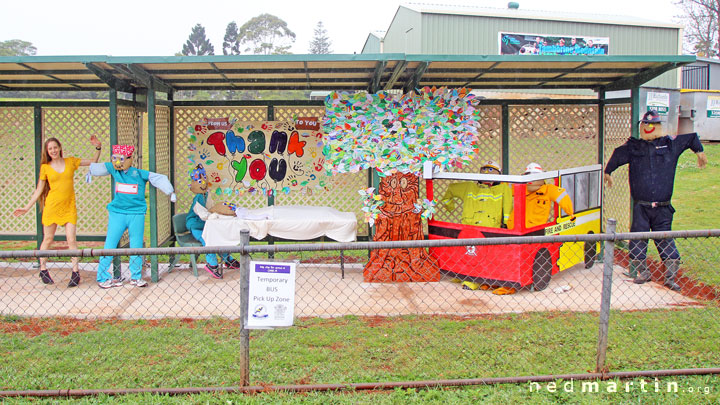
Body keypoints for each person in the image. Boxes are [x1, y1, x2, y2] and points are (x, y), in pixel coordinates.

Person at [605, 110, 707, 291]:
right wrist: (608, 172)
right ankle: (642, 272)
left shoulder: (670, 144)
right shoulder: (635, 147)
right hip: (641, 207)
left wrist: (700, 152)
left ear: (659, 126)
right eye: (646, 124)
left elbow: (691, 138)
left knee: (665, 239)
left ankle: (670, 277)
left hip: (663, 208)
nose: (649, 127)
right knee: (638, 239)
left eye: (653, 124)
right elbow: (618, 154)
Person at [14, 136, 102, 287]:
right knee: (48, 239)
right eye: (50, 149)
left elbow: (93, 162)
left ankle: (75, 273)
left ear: (60, 147)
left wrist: (98, 148)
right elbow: (39, 190)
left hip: (69, 207)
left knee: (71, 240)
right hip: (52, 207)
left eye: (55, 147)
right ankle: (43, 269)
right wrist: (26, 207)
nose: (53, 151)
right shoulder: (45, 167)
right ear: (47, 151)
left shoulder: (70, 162)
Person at [89, 145, 176, 289]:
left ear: (130, 158)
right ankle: (102, 276)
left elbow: (158, 178)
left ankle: (135, 277)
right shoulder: (113, 169)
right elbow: (96, 167)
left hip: (137, 214)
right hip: (117, 213)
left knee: (136, 245)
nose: (118, 162)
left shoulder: (139, 173)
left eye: (121, 159)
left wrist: (170, 191)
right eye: (115, 158)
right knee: (110, 244)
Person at [186, 164, 241, 279]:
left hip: (205, 224)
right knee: (207, 239)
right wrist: (214, 215)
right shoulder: (198, 198)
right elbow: (203, 213)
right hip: (196, 225)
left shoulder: (206, 195)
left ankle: (227, 259)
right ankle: (212, 264)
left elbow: (209, 209)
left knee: (219, 235)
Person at [441, 160, 512, 228]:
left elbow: (507, 207)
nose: (486, 173)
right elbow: (451, 188)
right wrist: (450, 206)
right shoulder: (469, 187)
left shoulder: (502, 188)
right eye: (484, 170)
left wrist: (506, 224)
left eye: (490, 170)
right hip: (469, 227)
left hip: (491, 228)